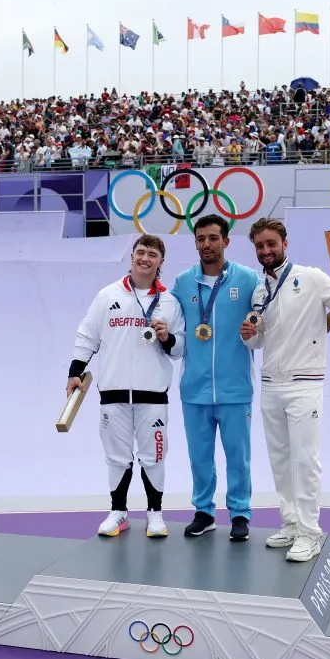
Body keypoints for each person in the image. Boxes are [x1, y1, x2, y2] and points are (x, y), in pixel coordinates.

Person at [240, 218, 330, 562]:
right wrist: (248, 335)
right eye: (260, 246)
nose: (266, 250)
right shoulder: (259, 291)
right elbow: (259, 341)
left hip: (305, 385)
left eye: (271, 243)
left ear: (285, 243)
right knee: (280, 461)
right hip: (271, 385)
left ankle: (310, 533)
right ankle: (292, 523)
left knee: (305, 461)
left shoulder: (311, 278)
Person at [68, 234, 186, 538]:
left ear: (161, 262)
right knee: (116, 457)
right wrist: (75, 371)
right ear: (131, 256)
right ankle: (118, 512)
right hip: (113, 394)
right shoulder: (107, 295)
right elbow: (87, 335)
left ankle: (155, 514)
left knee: (154, 456)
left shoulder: (170, 302)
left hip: (153, 396)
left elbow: (179, 349)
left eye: (152, 255)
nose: (145, 258)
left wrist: (167, 338)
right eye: (140, 252)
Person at [170, 214, 261, 542]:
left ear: (226, 241)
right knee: (200, 457)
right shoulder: (183, 282)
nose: (206, 244)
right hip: (194, 389)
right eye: (200, 239)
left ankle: (240, 513)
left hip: (235, 388)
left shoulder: (247, 279)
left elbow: (271, 310)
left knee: (238, 456)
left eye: (212, 238)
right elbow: (171, 323)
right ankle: (204, 512)